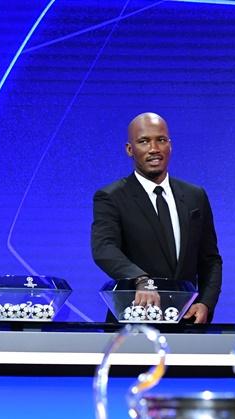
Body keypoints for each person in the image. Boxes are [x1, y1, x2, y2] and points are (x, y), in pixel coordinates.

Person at [91, 113, 222, 323]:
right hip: (132, 320)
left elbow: (210, 260)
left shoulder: (195, 196)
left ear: (170, 145)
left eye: (161, 140)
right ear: (129, 149)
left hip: (186, 321)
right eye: (144, 141)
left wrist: (205, 303)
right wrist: (141, 280)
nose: (154, 149)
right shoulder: (111, 197)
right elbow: (104, 249)